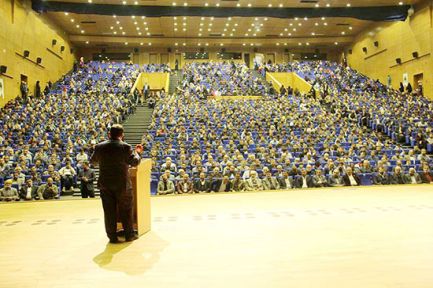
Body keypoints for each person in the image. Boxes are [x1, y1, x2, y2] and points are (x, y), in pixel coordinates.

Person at [90, 124, 142, 244]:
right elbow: (134, 162)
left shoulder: (99, 147)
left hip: (105, 185)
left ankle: (112, 237)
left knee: (109, 212)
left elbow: (93, 162)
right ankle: (129, 235)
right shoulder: (126, 147)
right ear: (122, 135)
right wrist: (138, 152)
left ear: (109, 134)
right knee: (126, 210)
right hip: (122, 185)